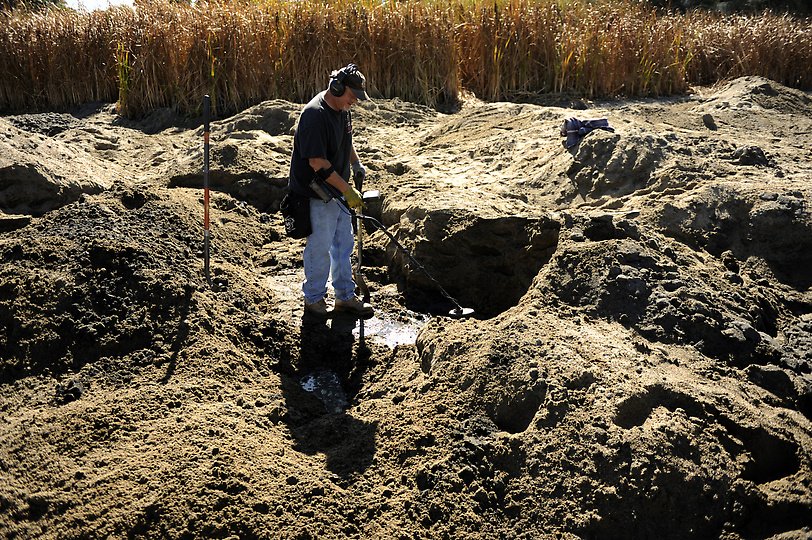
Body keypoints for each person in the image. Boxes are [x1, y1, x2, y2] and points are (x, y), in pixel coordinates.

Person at [288, 63, 374, 319]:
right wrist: (348, 190)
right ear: (337, 88)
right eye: (353, 96)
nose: (355, 101)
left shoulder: (343, 110)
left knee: (343, 245)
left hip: (337, 190)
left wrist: (355, 163)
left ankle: (345, 297)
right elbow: (317, 163)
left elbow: (346, 139)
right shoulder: (314, 115)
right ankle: (314, 300)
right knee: (320, 247)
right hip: (316, 193)